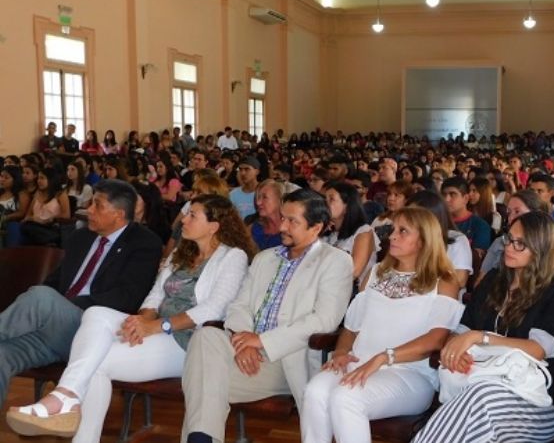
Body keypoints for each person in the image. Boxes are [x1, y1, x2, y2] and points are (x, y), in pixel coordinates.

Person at [6, 195, 254, 440]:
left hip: (188, 341)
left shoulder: (233, 257)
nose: (183, 221)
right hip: (157, 330)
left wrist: (157, 325)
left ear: (214, 226)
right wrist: (143, 321)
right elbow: (154, 296)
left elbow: (214, 308)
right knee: (95, 314)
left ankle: (66, 402)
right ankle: (66, 397)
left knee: (96, 363)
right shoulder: (182, 252)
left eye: (192, 215)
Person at [180, 189, 353, 443]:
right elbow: (239, 306)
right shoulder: (265, 258)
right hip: (245, 351)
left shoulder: (335, 261)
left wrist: (261, 342)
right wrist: (242, 341)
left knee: (201, 384)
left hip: (287, 359)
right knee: (206, 336)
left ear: (316, 228)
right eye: (283, 217)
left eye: (292, 221)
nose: (282, 226)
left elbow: (324, 320)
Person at [413, 210, 554, 443]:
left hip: (538, 404)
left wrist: (479, 337)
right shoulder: (495, 279)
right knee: (477, 410)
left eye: (520, 244)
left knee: (481, 398)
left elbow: (538, 349)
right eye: (508, 239)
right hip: (479, 388)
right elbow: (461, 331)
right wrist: (456, 351)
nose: (509, 247)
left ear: (541, 249)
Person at [301, 207, 462, 443]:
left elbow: (436, 339)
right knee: (315, 392)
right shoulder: (377, 272)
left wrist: (384, 357)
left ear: (424, 240)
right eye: (393, 230)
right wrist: (342, 352)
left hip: (410, 375)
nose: (392, 236)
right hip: (360, 362)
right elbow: (351, 328)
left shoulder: (444, 281)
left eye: (403, 231)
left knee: (346, 397)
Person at [0, 180, 162, 405]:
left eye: (97, 205)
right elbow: (54, 281)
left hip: (94, 331)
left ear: (118, 214)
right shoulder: (81, 237)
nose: (89, 210)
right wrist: (53, 309)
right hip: (55, 331)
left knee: (41, 297)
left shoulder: (144, 243)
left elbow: (127, 297)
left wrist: (65, 306)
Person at [323, 181, 378, 284]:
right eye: (324, 199)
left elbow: (354, 272)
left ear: (347, 206)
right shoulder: (327, 231)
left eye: (331, 199)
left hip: (352, 290)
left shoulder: (364, 232)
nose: (325, 204)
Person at [442, 177, 492, 253]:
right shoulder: (437, 221)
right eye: (444, 194)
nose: (446, 199)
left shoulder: (480, 226)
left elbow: (477, 259)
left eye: (452, 194)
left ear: (465, 198)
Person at [249, 179, 284, 251]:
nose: (258, 202)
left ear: (280, 199)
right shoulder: (253, 229)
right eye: (258, 197)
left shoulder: (290, 231)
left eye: (264, 197)